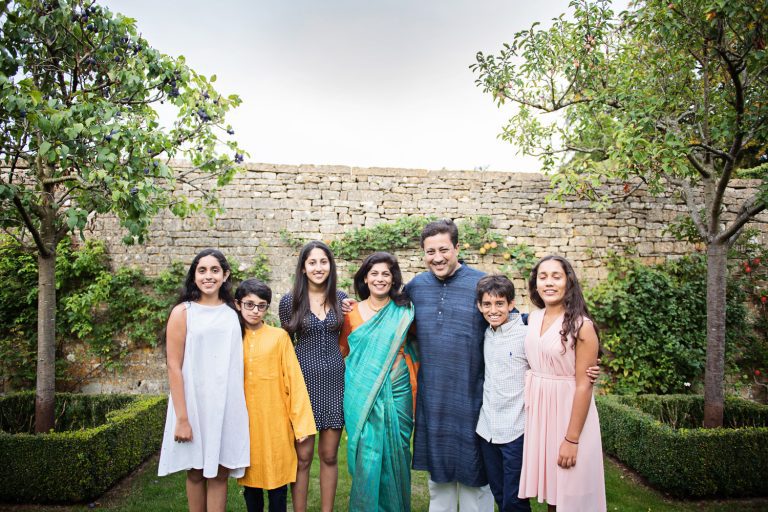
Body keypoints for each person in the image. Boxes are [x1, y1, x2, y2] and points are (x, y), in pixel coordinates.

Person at [403, 219, 494, 512]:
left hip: (473, 396)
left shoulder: (481, 284)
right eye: (430, 252)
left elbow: (510, 323)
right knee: (438, 482)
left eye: (444, 249)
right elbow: (386, 314)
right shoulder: (416, 286)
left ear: (457, 248)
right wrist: (351, 307)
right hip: (434, 399)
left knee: (476, 479)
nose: (437, 257)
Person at [158, 248, 250, 512]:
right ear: (194, 275)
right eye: (202, 270)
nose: (208, 276)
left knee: (220, 472)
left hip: (226, 404)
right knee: (196, 472)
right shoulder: (183, 312)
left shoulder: (235, 312)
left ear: (225, 275)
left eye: (214, 270)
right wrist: (182, 418)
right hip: (194, 405)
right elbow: (174, 366)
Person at [518, 255, 606, 512]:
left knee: (571, 492)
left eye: (556, 276)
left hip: (569, 413)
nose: (549, 283)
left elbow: (583, 385)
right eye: (542, 277)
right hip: (541, 414)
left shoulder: (582, 326)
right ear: (535, 284)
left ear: (569, 281)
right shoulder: (532, 318)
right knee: (554, 494)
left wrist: (572, 439)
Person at [339, 252, 417, 512]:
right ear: (365, 278)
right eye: (374, 273)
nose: (380, 279)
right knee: (367, 456)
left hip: (398, 389)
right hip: (362, 391)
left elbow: (416, 345)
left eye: (386, 273)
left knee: (398, 452)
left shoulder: (405, 311)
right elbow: (345, 353)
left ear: (393, 278)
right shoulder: (350, 313)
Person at [235, 279, 317, 512]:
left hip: (276, 424)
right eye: (249, 305)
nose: (255, 311)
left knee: (278, 485)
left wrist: (301, 425)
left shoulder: (279, 337)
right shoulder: (232, 337)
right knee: (251, 486)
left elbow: (294, 381)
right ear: (237, 304)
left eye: (261, 306)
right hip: (246, 424)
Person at [278, 241, 348, 512]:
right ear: (303, 268)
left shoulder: (341, 299)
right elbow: (285, 344)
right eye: (312, 263)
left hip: (334, 385)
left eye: (323, 262)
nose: (318, 268)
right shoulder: (290, 301)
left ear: (330, 266)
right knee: (303, 457)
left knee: (329, 456)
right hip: (302, 386)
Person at [474, 275, 531, 512]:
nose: (493, 310)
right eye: (487, 304)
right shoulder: (485, 333)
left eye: (500, 304)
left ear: (511, 303)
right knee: (498, 493)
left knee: (515, 500)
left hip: (516, 430)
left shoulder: (528, 333)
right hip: (487, 429)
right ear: (479, 306)